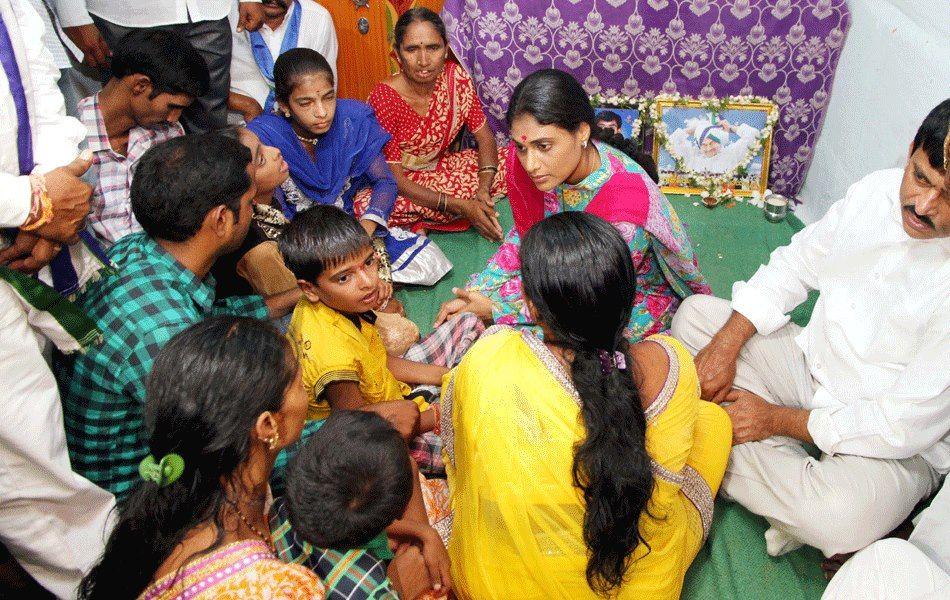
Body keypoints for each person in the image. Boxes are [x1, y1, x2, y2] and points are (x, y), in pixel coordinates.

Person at [669, 98, 950, 559]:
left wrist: (774, 420)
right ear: (911, 150)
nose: (922, 205)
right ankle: (775, 476)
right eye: (920, 177)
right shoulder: (875, 194)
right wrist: (725, 345)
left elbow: (902, 425)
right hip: (809, 368)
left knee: (837, 517)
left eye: (948, 196)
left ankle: (726, 444)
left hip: (890, 441)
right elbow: (796, 265)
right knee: (696, 319)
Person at [443, 211, 732, 598]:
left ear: (529, 306)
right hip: (638, 582)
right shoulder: (668, 362)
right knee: (713, 421)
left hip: (500, 581)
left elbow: (458, 430)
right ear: (629, 299)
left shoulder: (493, 357)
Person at [59, 133, 301, 502]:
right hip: (142, 504)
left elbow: (210, 315)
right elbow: (234, 453)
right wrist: (358, 431)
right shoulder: (163, 334)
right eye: (250, 203)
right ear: (221, 220)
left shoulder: (139, 250)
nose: (253, 212)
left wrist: (292, 297)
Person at [435, 69, 710, 342]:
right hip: (562, 269)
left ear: (581, 132)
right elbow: (526, 235)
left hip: (614, 298)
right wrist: (477, 292)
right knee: (475, 314)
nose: (530, 164)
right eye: (522, 148)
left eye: (544, 146)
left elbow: (582, 294)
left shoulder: (625, 209)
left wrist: (496, 310)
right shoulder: (540, 168)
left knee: (537, 344)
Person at [78, 316, 324, 599]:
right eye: (299, 384)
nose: (304, 391)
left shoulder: (171, 507)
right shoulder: (273, 589)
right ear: (268, 426)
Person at [0, 1, 115, 596]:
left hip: (27, 244)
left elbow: (44, 98)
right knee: (22, 456)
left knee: (38, 424)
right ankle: (101, 577)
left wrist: (51, 214)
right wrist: (33, 205)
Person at [279, 205, 482, 472]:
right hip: (387, 434)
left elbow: (379, 361)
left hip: (396, 392)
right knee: (477, 439)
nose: (368, 281)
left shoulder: (342, 304)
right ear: (310, 289)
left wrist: (447, 375)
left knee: (467, 322)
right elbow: (358, 428)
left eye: (368, 262)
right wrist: (436, 415)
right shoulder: (331, 355)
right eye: (344, 277)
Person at [250, 48, 451, 287]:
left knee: (428, 263)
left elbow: (384, 182)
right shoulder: (266, 136)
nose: (322, 112)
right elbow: (275, 213)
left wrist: (363, 232)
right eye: (306, 103)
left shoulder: (352, 120)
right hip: (299, 240)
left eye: (328, 97)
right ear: (284, 105)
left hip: (349, 226)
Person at [276, 410, 451, 596]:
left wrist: (424, 532)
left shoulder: (287, 508)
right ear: (397, 514)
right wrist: (399, 589)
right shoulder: (374, 588)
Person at [365, 8, 505, 241]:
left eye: (432, 47)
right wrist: (460, 206)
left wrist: (483, 189)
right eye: (412, 49)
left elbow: (485, 138)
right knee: (367, 206)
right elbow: (395, 179)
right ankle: (459, 210)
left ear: (446, 48)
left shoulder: (455, 79)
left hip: (441, 169)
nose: (423, 61)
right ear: (397, 53)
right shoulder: (385, 97)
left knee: (511, 160)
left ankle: (461, 208)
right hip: (403, 184)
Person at [54, 0, 266, 131]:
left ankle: (208, 200)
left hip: (208, 10)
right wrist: (72, 13)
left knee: (210, 118)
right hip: (125, 13)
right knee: (130, 116)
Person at [79, 28, 207, 245]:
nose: (174, 118)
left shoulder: (169, 135)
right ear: (141, 85)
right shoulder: (69, 132)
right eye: (172, 107)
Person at [211, 126, 302, 299]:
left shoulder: (266, 208)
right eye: (261, 160)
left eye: (264, 145)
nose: (275, 152)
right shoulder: (257, 248)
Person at [228, 0, 337, 123]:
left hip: (299, 125)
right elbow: (204, 86)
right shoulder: (225, 14)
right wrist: (248, 106)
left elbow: (327, 86)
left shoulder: (317, 18)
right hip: (237, 121)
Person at [666, 113, 760, 175]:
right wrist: (695, 129)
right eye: (704, 144)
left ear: (720, 142)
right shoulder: (691, 156)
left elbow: (754, 136)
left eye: (712, 143)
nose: (708, 148)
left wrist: (730, 128)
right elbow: (671, 141)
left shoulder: (732, 155)